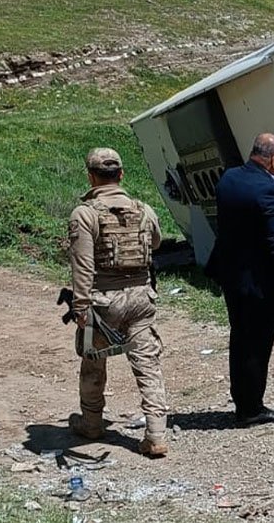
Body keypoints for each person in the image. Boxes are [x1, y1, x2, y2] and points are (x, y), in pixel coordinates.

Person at [65, 148, 167, 457]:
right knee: (148, 365)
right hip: (141, 298)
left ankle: (92, 423)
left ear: (91, 177)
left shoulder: (85, 214)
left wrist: (80, 306)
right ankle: (156, 434)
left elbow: (82, 265)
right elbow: (157, 241)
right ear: (121, 174)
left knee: (93, 362)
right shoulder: (144, 209)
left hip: (103, 301)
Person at [207, 133, 274, 427]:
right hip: (260, 282)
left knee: (241, 338)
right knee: (258, 344)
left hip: (233, 275)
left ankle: (242, 401)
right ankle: (251, 407)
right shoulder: (269, 191)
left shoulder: (229, 179)